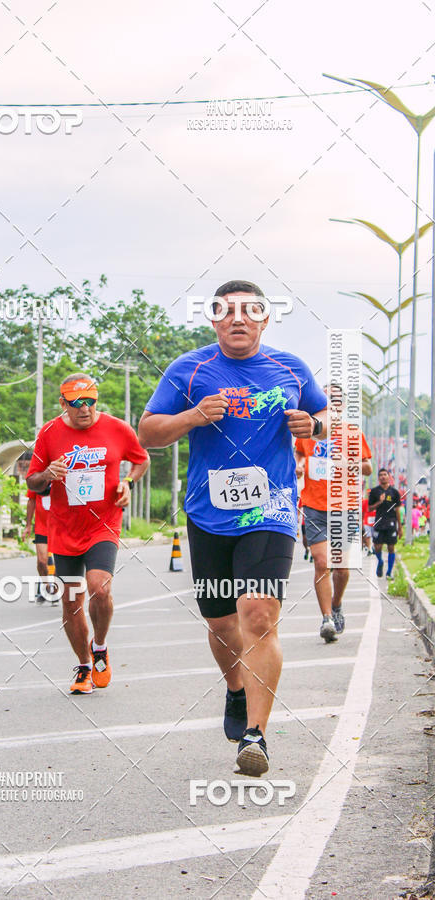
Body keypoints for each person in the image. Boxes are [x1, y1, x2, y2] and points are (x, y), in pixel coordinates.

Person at [138, 280, 327, 777]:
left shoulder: (290, 368)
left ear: (265, 319)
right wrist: (193, 416)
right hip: (208, 512)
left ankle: (257, 737)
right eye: (227, 312)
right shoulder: (189, 369)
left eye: (250, 312)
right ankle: (236, 690)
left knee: (258, 613)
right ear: (214, 319)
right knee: (223, 623)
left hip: (272, 507)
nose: (238, 319)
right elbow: (148, 432)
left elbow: (323, 412)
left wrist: (316, 426)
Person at [26, 374, 149, 694]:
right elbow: (32, 482)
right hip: (64, 528)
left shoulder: (118, 428)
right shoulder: (50, 433)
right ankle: (83, 666)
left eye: (90, 401)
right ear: (63, 403)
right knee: (70, 602)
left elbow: (141, 460)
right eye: (77, 403)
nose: (85, 408)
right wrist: (47, 474)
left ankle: (101, 646)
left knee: (100, 587)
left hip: (103, 524)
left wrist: (128, 484)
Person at [294, 385, 372, 642]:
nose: (331, 402)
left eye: (335, 399)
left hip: (345, 506)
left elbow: (368, 467)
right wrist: (299, 465)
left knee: (341, 567)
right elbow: (299, 457)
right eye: (326, 398)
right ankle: (326, 618)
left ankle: (337, 604)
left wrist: (345, 462)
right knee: (321, 562)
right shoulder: (309, 430)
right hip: (315, 505)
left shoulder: (352, 433)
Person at [368, 468, 403, 578]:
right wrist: (379, 502)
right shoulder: (374, 491)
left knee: (391, 547)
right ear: (378, 478)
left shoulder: (394, 492)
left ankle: (389, 572)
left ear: (389, 477)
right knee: (377, 547)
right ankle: (380, 562)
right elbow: (369, 508)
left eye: (385, 474)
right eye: (381, 475)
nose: (383, 476)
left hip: (391, 523)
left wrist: (400, 527)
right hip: (379, 522)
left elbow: (397, 510)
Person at [22, 487, 55, 604]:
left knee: (61, 564)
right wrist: (28, 525)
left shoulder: (63, 474)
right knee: (41, 562)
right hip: (42, 527)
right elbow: (31, 500)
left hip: (61, 526)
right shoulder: (37, 477)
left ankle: (56, 588)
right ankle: (46, 587)